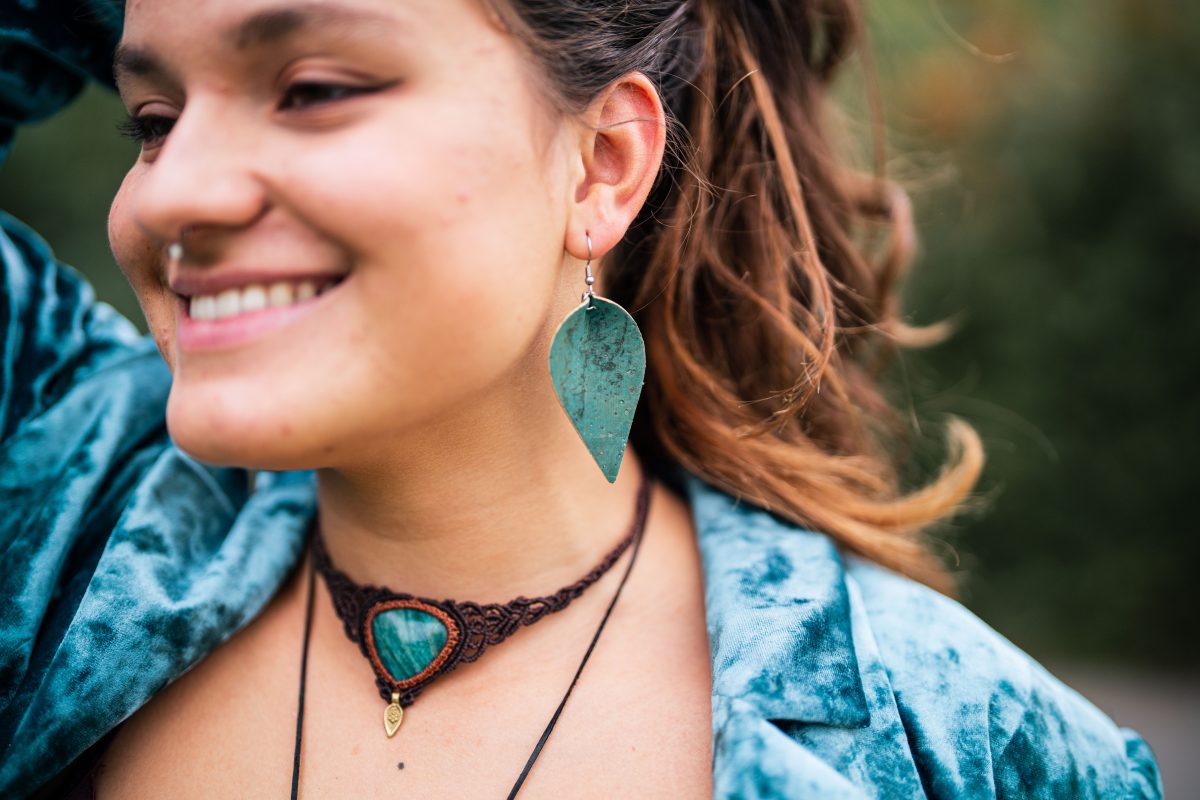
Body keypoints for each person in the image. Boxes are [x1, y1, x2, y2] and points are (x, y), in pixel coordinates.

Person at [0, 0, 1164, 798]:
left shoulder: (965, 742)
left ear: (603, 164)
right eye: (154, 122)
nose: (173, 194)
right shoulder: (51, 495)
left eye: (310, 89)